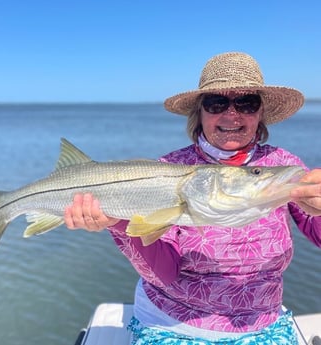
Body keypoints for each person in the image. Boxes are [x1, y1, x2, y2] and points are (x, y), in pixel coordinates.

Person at [64, 52, 321, 344]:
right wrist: (118, 223)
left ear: (260, 113)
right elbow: (165, 273)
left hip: (265, 326)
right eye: (216, 103)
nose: (231, 114)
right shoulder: (167, 170)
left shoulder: (282, 166)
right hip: (172, 325)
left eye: (247, 102)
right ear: (199, 112)